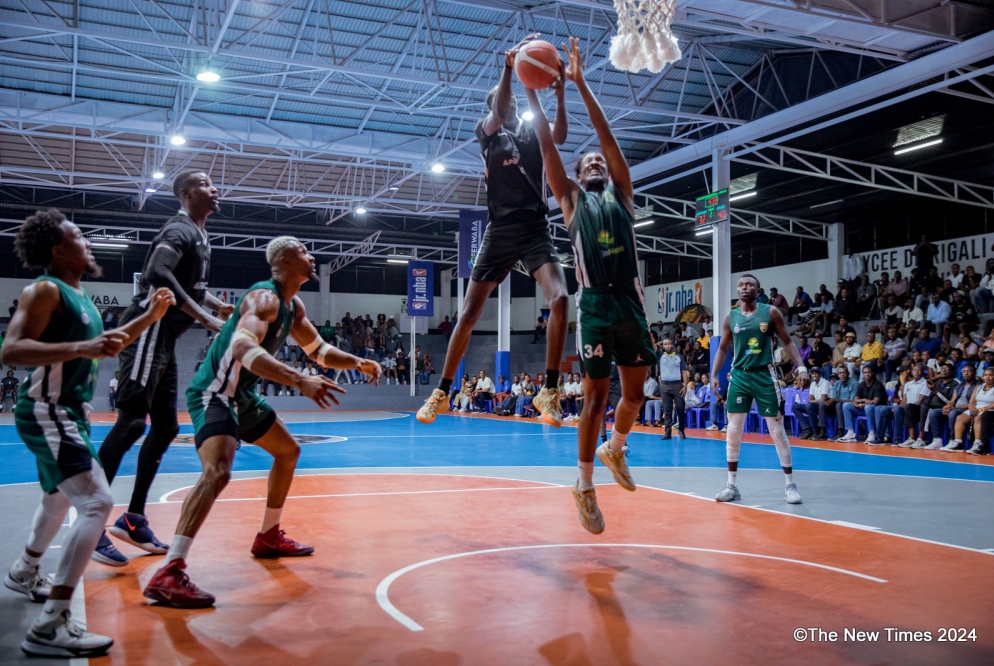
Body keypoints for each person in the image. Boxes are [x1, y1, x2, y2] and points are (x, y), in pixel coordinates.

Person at [142, 236, 380, 608]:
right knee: (218, 472)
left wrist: (357, 362)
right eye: (303, 251)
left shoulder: (293, 306)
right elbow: (241, 347)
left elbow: (319, 351)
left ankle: (268, 536)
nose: (312, 256)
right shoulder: (263, 298)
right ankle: (169, 570)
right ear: (283, 261)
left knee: (288, 452)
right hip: (215, 391)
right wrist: (299, 380)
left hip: (244, 395)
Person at [3, 209, 174, 657]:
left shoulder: (81, 297)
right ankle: (51, 625)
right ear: (58, 250)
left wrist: (150, 316)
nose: (88, 241)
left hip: (68, 413)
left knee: (58, 499)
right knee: (97, 502)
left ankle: (25, 570)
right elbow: (11, 350)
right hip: (48, 410)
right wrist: (82, 346)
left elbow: (109, 343)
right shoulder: (45, 290)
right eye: (79, 236)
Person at [526, 37, 656, 534]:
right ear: (578, 177)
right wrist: (533, 92)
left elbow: (608, 139)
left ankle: (615, 449)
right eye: (588, 164)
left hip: (631, 302)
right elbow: (546, 145)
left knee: (635, 397)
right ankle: (583, 485)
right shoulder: (572, 201)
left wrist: (579, 84)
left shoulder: (623, 196)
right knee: (596, 399)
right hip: (597, 305)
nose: (596, 162)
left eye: (599, 161)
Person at [416, 34, 569, 428]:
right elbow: (500, 108)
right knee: (468, 313)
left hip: (535, 227)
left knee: (561, 299)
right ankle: (441, 392)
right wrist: (508, 67)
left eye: (516, 100)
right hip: (499, 230)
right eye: (507, 100)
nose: (512, 104)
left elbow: (560, 137)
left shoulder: (533, 133)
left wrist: (558, 94)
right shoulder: (488, 133)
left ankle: (549, 390)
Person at [93, 171, 234, 567]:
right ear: (186, 193)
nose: (214, 188)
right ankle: (91, 524)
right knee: (131, 423)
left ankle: (133, 520)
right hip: (149, 326)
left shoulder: (200, 235)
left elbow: (191, 284)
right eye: (205, 184)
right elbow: (158, 273)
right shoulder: (179, 229)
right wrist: (205, 318)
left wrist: (215, 305)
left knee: (167, 426)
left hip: (166, 335)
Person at [711, 274, 808, 505]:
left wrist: (802, 367)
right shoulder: (731, 316)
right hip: (739, 376)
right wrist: (714, 374)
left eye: (749, 285)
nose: (744, 287)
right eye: (740, 285)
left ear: (758, 290)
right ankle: (731, 485)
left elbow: (787, 341)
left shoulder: (770, 312)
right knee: (733, 431)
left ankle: (790, 485)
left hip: (765, 375)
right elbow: (722, 349)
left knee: (777, 431)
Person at [947, 367, 994, 456]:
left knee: (978, 418)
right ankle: (958, 443)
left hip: (990, 410)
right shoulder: (978, 387)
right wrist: (972, 410)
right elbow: (971, 402)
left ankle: (977, 443)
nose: (987, 377)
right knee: (960, 418)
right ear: (982, 377)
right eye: (985, 375)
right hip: (976, 409)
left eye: (990, 375)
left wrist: (980, 410)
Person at [840, 365, 890, 444]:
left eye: (869, 372)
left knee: (868, 407)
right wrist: (863, 400)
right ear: (863, 374)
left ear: (873, 373)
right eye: (865, 373)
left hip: (876, 410)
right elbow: (856, 399)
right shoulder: (862, 384)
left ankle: (872, 434)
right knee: (846, 405)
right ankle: (850, 433)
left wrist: (862, 404)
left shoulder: (878, 384)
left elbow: (875, 401)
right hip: (864, 409)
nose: (867, 374)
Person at [919, 363, 959, 449]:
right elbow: (929, 397)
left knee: (933, 412)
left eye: (946, 369)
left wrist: (936, 391)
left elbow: (949, 402)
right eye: (941, 369)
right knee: (923, 407)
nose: (943, 371)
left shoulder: (955, 383)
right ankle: (922, 439)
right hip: (932, 407)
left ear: (952, 371)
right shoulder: (937, 383)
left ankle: (934, 439)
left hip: (945, 408)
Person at [941, 366, 981, 451]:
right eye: (964, 371)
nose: (966, 373)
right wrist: (948, 407)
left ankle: (953, 440)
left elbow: (973, 403)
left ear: (974, 373)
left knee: (953, 413)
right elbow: (953, 400)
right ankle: (936, 439)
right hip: (956, 408)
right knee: (933, 412)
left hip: (966, 409)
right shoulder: (960, 385)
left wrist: (954, 408)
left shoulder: (978, 386)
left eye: (969, 371)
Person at [657, 339, 688, 440]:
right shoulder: (660, 356)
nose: (667, 346)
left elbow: (684, 372)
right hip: (664, 385)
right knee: (667, 409)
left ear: (672, 345)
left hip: (677, 384)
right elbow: (653, 346)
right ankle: (667, 433)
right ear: (663, 346)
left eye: (669, 344)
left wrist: (685, 386)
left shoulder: (679, 357)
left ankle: (681, 430)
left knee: (680, 407)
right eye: (665, 344)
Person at [891, 363, 927, 447]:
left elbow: (920, 401)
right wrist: (898, 406)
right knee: (897, 410)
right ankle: (898, 439)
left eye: (919, 370)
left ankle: (912, 438)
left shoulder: (925, 383)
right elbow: (904, 401)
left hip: (919, 409)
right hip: (908, 408)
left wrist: (908, 407)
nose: (916, 372)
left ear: (922, 372)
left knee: (908, 408)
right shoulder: (908, 384)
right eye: (914, 370)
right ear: (911, 372)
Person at [793, 368, 831, 440]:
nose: (814, 375)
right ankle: (807, 429)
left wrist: (813, 401)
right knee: (795, 407)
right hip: (816, 406)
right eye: (813, 373)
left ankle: (816, 430)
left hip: (826, 407)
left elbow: (822, 400)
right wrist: (815, 401)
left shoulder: (825, 382)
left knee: (809, 406)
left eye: (816, 373)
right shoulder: (813, 384)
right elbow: (810, 399)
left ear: (820, 374)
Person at [826, 366, 858, 441]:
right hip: (838, 408)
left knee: (839, 404)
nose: (842, 375)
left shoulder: (854, 383)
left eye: (844, 373)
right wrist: (829, 401)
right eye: (840, 373)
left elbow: (853, 401)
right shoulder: (836, 383)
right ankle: (821, 431)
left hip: (849, 408)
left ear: (848, 374)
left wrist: (837, 400)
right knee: (822, 405)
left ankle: (840, 431)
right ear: (838, 375)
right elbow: (834, 398)